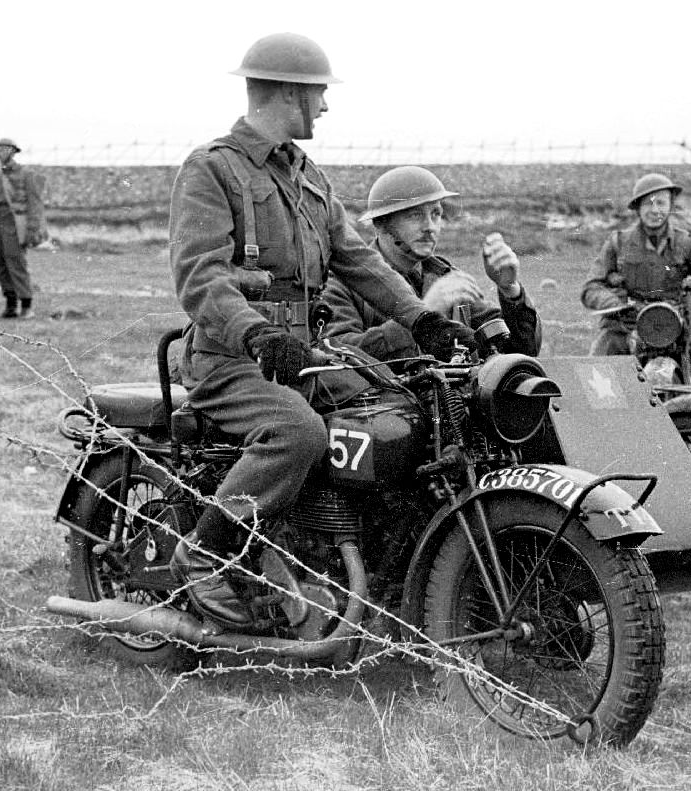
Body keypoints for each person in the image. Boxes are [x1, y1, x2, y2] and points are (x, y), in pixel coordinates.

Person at [168, 32, 472, 628]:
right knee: (298, 432)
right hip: (231, 360)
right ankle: (203, 554)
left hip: (301, 357)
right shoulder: (213, 170)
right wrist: (257, 335)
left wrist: (421, 318)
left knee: (398, 411)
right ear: (289, 93)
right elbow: (200, 277)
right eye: (319, 95)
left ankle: (348, 560)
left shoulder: (308, 177)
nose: (325, 106)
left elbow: (359, 261)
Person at [325, 165, 541, 362]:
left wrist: (510, 291)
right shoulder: (344, 282)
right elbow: (337, 355)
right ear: (381, 223)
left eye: (436, 214)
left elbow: (518, 352)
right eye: (415, 215)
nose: (429, 227)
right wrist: (424, 313)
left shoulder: (445, 278)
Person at [580, 173, 691, 385]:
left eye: (661, 203)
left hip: (672, 326)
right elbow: (591, 287)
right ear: (638, 208)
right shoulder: (618, 242)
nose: (655, 210)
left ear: (670, 206)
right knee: (593, 378)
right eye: (648, 204)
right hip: (626, 325)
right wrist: (615, 303)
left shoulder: (685, 242)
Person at [0, 137, 45, 319]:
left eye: (5, 149)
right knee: (1, 264)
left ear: (14, 151)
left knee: (16, 263)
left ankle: (26, 305)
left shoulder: (26, 174)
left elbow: (35, 203)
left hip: (16, 223)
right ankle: (10, 306)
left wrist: (32, 229)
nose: (1, 152)